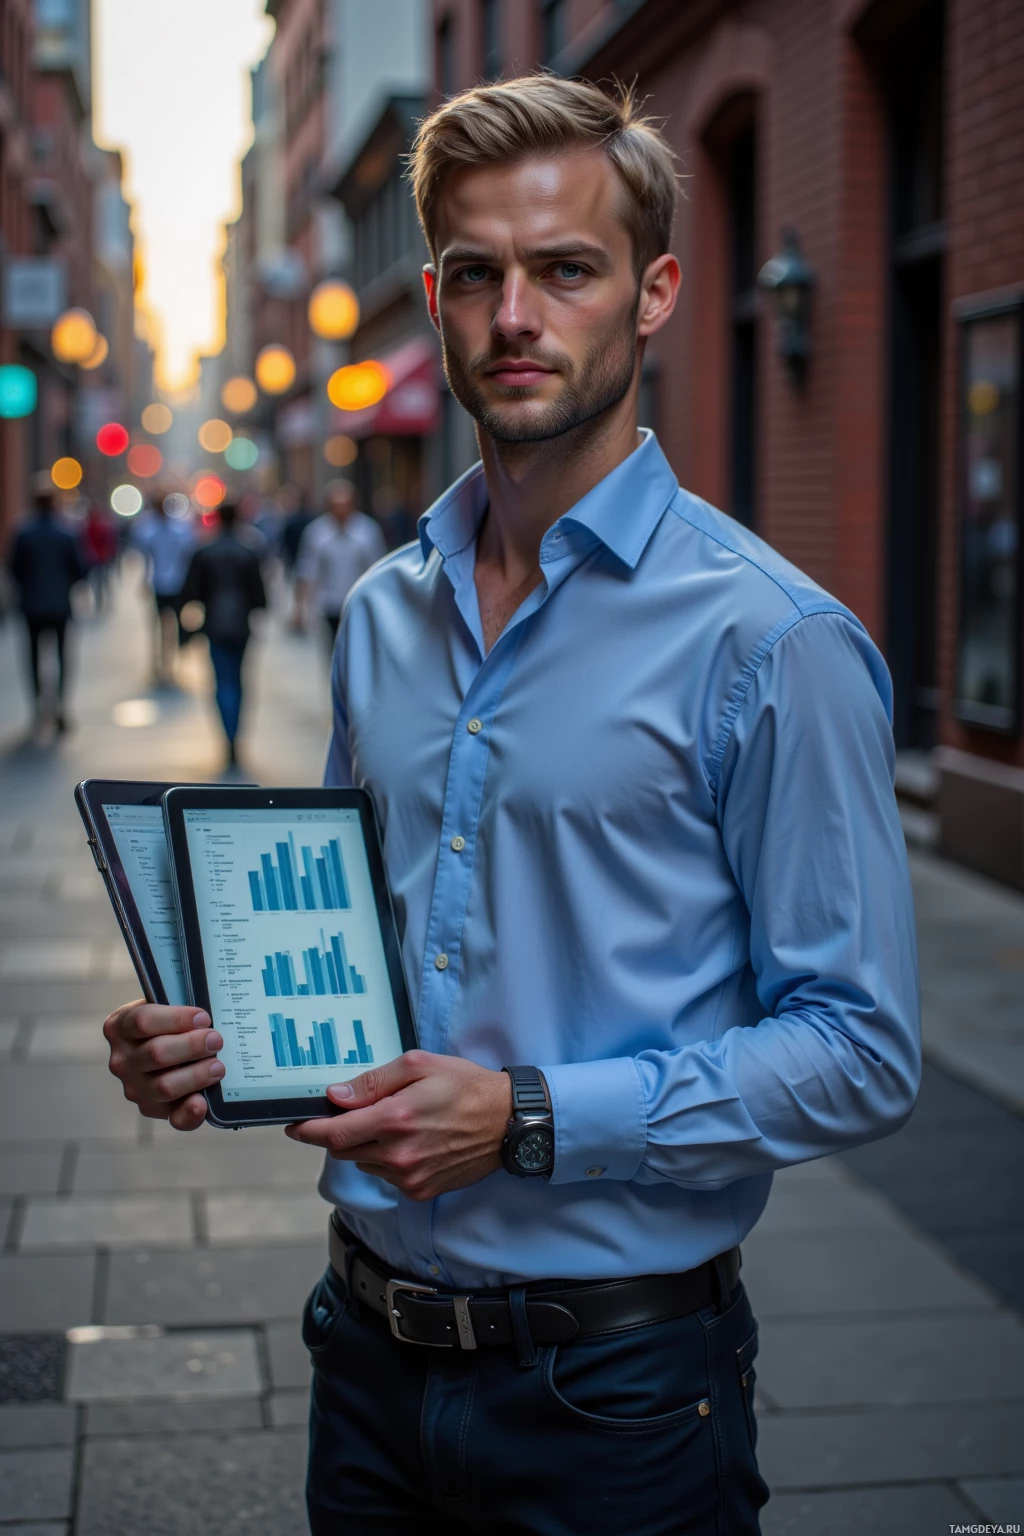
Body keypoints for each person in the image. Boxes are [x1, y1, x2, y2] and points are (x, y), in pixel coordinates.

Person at [99, 75, 921, 1535]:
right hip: (362, 1362)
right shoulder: (380, 615)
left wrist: (530, 1119)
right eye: (476, 274)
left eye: (566, 269)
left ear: (657, 293)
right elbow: (373, 960)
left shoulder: (769, 642)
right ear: (433, 294)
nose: (515, 315)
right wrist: (229, 1045)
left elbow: (859, 1051)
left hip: (616, 1398)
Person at [178, 499, 266, 771]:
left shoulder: (205, 552)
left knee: (222, 682)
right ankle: (234, 736)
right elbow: (260, 598)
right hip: (240, 626)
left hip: (215, 624)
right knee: (237, 682)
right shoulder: (247, 552)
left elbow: (189, 593)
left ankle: (228, 737)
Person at [7, 484, 88, 733]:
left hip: (32, 606)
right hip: (60, 606)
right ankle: (61, 706)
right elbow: (80, 570)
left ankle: (38, 708)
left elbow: (14, 570)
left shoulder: (23, 533)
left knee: (33, 659)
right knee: (62, 657)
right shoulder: (66, 534)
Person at [294, 478, 386, 645]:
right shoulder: (316, 532)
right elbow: (307, 569)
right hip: (328, 602)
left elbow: (378, 568)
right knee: (333, 647)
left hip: (359, 601)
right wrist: (301, 608)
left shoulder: (368, 531)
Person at [131, 495, 196, 683]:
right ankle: (162, 662)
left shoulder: (176, 530)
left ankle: (167, 662)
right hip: (162, 583)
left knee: (170, 625)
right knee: (160, 625)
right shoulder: (154, 531)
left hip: (173, 583)